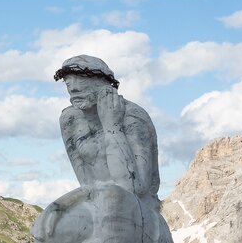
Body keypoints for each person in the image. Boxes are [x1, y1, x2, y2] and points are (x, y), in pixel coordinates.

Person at [32, 55, 174, 243]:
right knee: (47, 229)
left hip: (139, 213)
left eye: (81, 80)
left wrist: (111, 125)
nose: (73, 88)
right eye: (67, 84)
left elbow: (132, 188)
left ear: (104, 84)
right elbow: (87, 185)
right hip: (98, 204)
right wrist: (60, 205)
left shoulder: (133, 117)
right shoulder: (70, 120)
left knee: (114, 198)